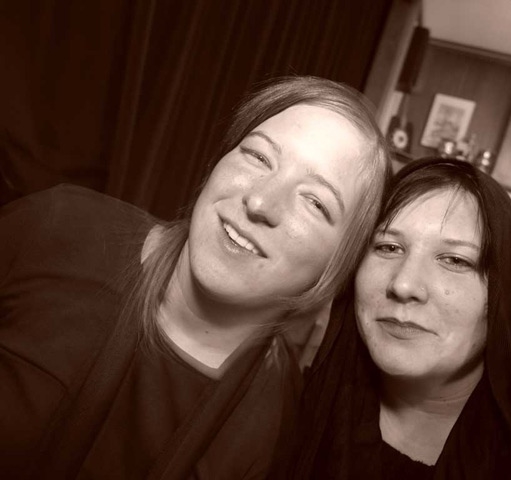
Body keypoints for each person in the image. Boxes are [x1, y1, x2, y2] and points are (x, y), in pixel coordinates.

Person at [0, 76, 390, 480]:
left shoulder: (275, 432)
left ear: (335, 271)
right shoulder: (59, 228)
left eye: (315, 202)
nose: (260, 202)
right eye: (258, 156)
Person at [288, 157, 511, 479]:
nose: (404, 284)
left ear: (500, 293)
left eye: (455, 260)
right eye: (388, 247)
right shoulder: (306, 399)